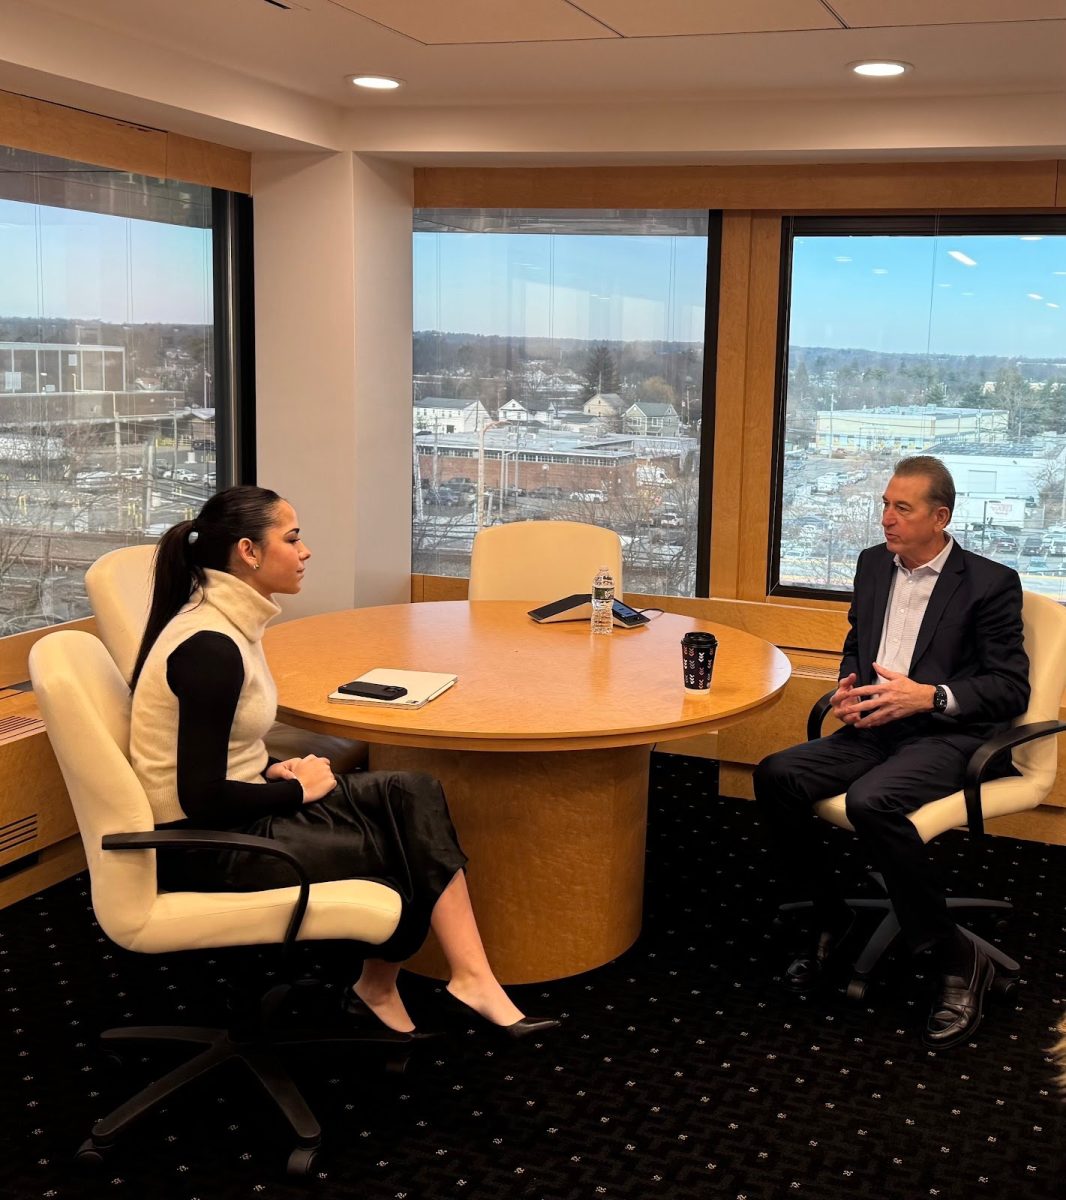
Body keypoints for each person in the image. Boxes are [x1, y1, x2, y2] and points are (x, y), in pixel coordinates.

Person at [129, 485, 558, 1041]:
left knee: (413, 792)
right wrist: (294, 792)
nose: (305, 551)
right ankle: (383, 988)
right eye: (292, 538)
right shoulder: (210, 646)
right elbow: (200, 796)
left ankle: (468, 978)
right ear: (248, 553)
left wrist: (269, 771)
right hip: (209, 845)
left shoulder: (229, 622)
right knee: (404, 844)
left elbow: (221, 753)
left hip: (237, 808)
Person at [754, 456, 1030, 1049]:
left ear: (941, 516)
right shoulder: (873, 565)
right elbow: (860, 643)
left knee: (871, 801)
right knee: (778, 774)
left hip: (945, 734)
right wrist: (849, 690)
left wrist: (929, 696)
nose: (886, 519)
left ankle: (958, 959)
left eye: (901, 508)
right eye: (884, 504)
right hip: (873, 726)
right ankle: (831, 915)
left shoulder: (990, 583)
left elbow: (1011, 688)